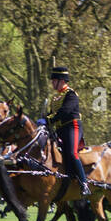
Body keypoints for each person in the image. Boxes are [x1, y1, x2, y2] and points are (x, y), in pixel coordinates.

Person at [39, 65, 89, 196]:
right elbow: (52, 113)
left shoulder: (71, 95)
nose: (52, 83)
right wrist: (44, 120)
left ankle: (84, 183)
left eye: (54, 80)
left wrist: (49, 119)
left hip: (72, 127)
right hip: (59, 129)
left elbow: (65, 111)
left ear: (61, 80)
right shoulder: (55, 98)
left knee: (72, 153)